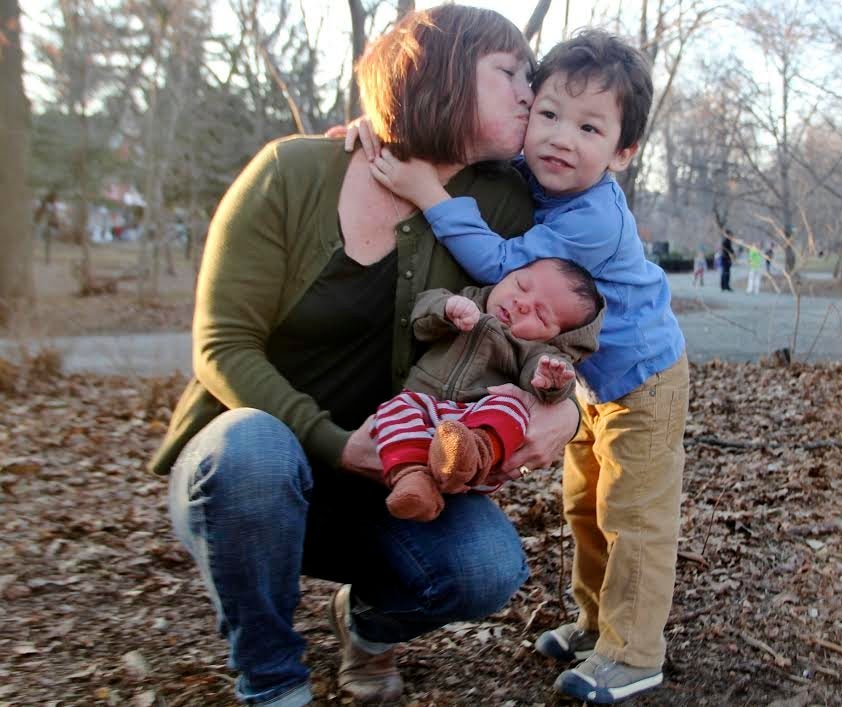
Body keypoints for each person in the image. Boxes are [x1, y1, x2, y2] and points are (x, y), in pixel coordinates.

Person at [151, 7, 585, 706]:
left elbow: (566, 314)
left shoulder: (502, 203)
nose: (529, 93)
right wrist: (333, 441)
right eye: (510, 72)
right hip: (245, 475)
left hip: (395, 481)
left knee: (487, 568)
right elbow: (220, 344)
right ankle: (271, 680)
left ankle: (367, 623)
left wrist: (567, 406)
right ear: (441, 73)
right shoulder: (292, 173)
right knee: (256, 451)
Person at [360, 28, 689, 704]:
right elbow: (465, 150)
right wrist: (378, 127)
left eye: (589, 127)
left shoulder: (593, 214)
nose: (560, 138)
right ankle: (597, 623)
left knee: (635, 513)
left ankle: (634, 652)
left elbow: (508, 267)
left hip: (647, 380)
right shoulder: (539, 181)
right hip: (590, 384)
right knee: (585, 505)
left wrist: (427, 193)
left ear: (623, 153)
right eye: (548, 114)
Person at [375, 257, 603, 521]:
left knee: (511, 405)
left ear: (553, 336)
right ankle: (413, 484)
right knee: (394, 409)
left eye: (540, 315)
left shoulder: (536, 349)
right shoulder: (466, 301)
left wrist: (550, 381)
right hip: (423, 406)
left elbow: (548, 374)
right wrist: (446, 309)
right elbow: (420, 319)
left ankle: (469, 456)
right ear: (508, 275)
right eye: (521, 285)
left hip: (476, 427)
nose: (521, 303)